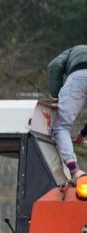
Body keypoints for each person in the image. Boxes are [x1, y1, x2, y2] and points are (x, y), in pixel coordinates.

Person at [46, 44, 87, 187]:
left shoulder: (72, 51)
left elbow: (54, 65)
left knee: (61, 126)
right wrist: (83, 134)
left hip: (78, 78)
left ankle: (74, 170)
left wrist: (56, 95)